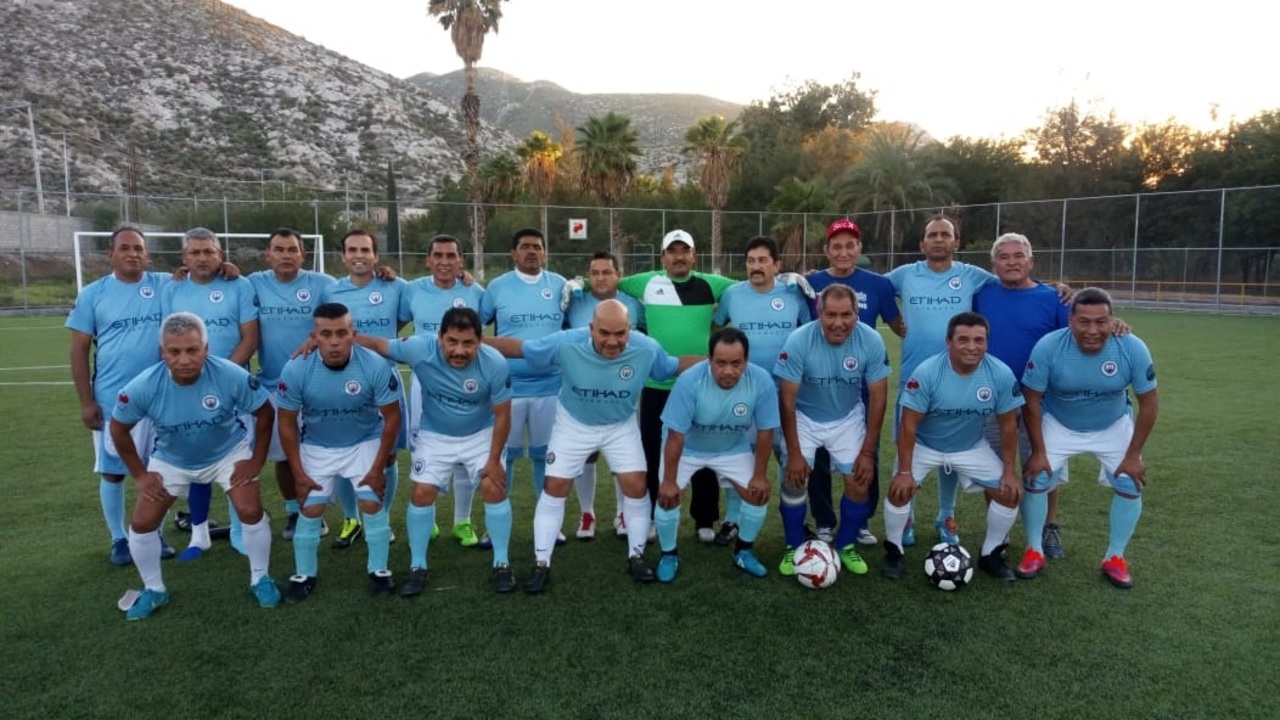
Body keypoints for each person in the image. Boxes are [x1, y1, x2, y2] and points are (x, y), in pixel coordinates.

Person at [485, 300, 695, 593]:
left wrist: (719, 361)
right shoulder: (566, 343)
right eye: (604, 333)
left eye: (620, 333)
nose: (613, 341)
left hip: (620, 426)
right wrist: (475, 341)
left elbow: (671, 366)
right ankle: (541, 563)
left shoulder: (646, 348)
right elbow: (521, 349)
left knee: (636, 486)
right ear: (591, 329)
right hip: (574, 424)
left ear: (629, 329)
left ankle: (636, 556)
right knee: (555, 486)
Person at [110, 312, 280, 619]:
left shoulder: (229, 374)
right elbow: (118, 428)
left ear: (206, 348)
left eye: (192, 350)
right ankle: (154, 590)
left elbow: (265, 412)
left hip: (227, 453)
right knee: (142, 522)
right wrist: (140, 474)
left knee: (250, 509)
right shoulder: (143, 386)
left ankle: (261, 578)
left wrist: (255, 461)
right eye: (174, 351)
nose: (184, 359)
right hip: (171, 460)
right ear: (162, 352)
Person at [357, 307, 515, 594]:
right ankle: (418, 566)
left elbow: (503, 415)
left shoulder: (494, 363)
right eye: (452, 341)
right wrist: (330, 340)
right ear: (440, 337)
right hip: (435, 434)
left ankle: (502, 563)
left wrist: (494, 460)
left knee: (494, 487)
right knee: (421, 493)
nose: (459, 350)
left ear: (480, 341)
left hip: (480, 433)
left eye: (468, 343)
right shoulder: (419, 348)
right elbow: (378, 344)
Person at [1016, 288, 1158, 589]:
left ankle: (1115, 557)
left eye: (1101, 322)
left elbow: (1149, 403)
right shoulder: (1049, 346)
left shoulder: (1132, 347)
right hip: (1059, 422)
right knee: (1037, 476)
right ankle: (1034, 550)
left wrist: (1133, 455)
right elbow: (1032, 400)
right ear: (1070, 321)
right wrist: (1038, 451)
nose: (1092, 330)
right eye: (1084, 322)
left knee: (1130, 482)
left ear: (1112, 321)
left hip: (1112, 424)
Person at [882, 312, 1024, 581]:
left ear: (987, 342)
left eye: (979, 340)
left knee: (1009, 492)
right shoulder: (927, 372)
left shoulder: (1000, 373)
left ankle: (991, 554)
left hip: (971, 447)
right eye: (963, 339)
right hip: (926, 445)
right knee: (898, 491)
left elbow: (1008, 425)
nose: (972, 347)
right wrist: (904, 471)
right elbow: (908, 425)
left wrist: (1009, 471)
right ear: (949, 342)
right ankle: (894, 551)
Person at [276, 303, 403, 601]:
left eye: (342, 333)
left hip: (364, 440)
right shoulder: (296, 368)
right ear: (314, 337)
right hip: (318, 444)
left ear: (353, 334)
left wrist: (378, 467)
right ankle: (304, 574)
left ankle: (379, 570)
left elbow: (392, 418)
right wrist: (298, 473)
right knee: (310, 508)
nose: (334, 341)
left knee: (371, 502)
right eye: (326, 334)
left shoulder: (375, 365)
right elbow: (286, 424)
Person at [886, 215, 997, 547]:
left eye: (944, 235)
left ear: (956, 243)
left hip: (959, 380)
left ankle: (946, 515)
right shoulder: (905, 275)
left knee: (950, 450)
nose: (938, 239)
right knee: (907, 448)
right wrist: (893, 320)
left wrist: (1059, 289)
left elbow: (1013, 282)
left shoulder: (972, 275)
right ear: (922, 243)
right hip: (914, 381)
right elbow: (870, 289)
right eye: (932, 235)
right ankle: (906, 515)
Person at [617, 229, 734, 544]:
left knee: (703, 448)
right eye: (673, 251)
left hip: (699, 383)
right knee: (652, 451)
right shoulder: (646, 282)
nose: (679, 256)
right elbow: (609, 280)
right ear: (663, 257)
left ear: (694, 256)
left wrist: (788, 280)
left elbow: (749, 287)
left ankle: (704, 519)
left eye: (685, 251)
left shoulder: (711, 284)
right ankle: (652, 516)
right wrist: (579, 283)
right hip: (656, 383)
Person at [66, 226, 174, 565]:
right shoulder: (93, 294)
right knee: (112, 471)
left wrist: (226, 268)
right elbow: (79, 350)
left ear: (147, 254)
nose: (132, 253)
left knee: (159, 468)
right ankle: (118, 539)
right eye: (125, 248)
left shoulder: (164, 284)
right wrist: (86, 401)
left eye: (138, 248)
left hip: (160, 398)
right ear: (110, 254)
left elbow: (201, 276)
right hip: (112, 399)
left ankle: (154, 533)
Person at [773, 284, 891, 577]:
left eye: (846, 315)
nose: (839, 323)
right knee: (794, 480)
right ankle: (793, 546)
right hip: (804, 416)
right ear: (819, 313)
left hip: (846, 417)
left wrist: (867, 453)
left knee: (859, 481)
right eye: (831, 315)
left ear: (856, 314)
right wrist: (795, 453)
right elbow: (786, 401)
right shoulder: (799, 340)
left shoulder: (871, 340)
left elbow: (878, 399)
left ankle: (845, 546)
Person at [804, 218, 903, 547]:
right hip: (819, 387)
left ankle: (860, 522)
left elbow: (899, 325)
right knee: (818, 458)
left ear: (859, 248)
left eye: (850, 245)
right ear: (827, 250)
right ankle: (824, 521)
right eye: (837, 246)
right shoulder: (810, 283)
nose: (843, 252)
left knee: (865, 456)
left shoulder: (878, 284)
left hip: (862, 388)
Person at [161, 227, 259, 561]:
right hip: (187, 387)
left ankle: (239, 531)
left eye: (209, 252)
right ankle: (199, 533)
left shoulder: (239, 285)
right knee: (196, 457)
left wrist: (222, 378)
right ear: (184, 257)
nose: (202, 258)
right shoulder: (171, 288)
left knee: (237, 461)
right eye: (195, 252)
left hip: (234, 387)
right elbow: (166, 339)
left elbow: (250, 337)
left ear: (220, 255)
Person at [972, 232, 1071, 559]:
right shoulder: (982, 295)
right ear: (993, 264)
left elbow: (1075, 335)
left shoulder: (1054, 298)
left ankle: (1048, 527)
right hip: (992, 396)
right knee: (994, 466)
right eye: (1004, 257)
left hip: (1038, 399)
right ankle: (998, 532)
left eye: (1018, 256)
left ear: (1031, 261)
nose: (1011, 262)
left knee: (1042, 464)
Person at [655, 328, 777, 581]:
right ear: (709, 359)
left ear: (746, 360)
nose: (728, 371)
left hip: (731, 447)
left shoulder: (761, 380)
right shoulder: (689, 381)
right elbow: (676, 435)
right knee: (667, 497)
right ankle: (669, 555)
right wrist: (668, 481)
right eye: (721, 363)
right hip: (688, 447)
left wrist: (759, 475)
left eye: (736, 363)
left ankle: (743, 552)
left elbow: (766, 431)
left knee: (757, 495)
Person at [710, 236, 809, 546]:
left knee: (788, 455)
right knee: (741, 454)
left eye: (763, 260)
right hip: (744, 391)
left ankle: (793, 519)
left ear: (777, 265)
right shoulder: (732, 294)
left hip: (786, 391)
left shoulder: (793, 293)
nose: (756, 266)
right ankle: (733, 519)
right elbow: (715, 326)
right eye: (751, 261)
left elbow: (811, 329)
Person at [319, 229, 411, 551]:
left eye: (365, 250)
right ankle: (351, 518)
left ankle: (381, 518)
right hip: (341, 381)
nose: (359, 255)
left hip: (384, 379)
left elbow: (403, 320)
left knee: (388, 455)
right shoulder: (331, 290)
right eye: (352, 250)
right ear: (343, 256)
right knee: (343, 451)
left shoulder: (395, 286)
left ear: (375, 255)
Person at [479, 228, 568, 545]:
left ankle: (550, 524)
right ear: (513, 253)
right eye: (525, 247)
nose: (531, 252)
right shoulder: (497, 286)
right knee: (504, 458)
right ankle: (495, 526)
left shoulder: (560, 285)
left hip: (550, 387)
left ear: (545, 252)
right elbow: (476, 326)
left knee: (547, 458)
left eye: (537, 247)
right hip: (508, 389)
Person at [400, 234, 487, 547]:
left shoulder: (475, 292)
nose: (444, 262)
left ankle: (463, 521)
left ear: (461, 260)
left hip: (468, 381)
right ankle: (430, 519)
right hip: (425, 382)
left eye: (451, 255)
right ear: (428, 260)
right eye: (438, 255)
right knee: (424, 448)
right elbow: (395, 328)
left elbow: (486, 332)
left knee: (466, 450)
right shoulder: (411, 290)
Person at [248, 228, 335, 541]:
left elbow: (346, 310)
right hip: (274, 386)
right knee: (284, 455)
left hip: (319, 384)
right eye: (279, 249)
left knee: (321, 452)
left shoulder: (323, 284)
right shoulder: (253, 283)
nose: (286, 255)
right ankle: (294, 512)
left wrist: (383, 273)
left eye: (292, 250)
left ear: (303, 255)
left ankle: (318, 511)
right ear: (268, 254)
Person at [562, 251, 645, 539]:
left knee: (623, 456)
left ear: (618, 275)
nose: (600, 278)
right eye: (594, 273)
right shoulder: (574, 303)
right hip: (582, 395)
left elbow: (644, 341)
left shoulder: (633, 305)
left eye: (606, 272)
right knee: (587, 456)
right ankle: (587, 513)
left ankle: (622, 513)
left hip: (622, 393)